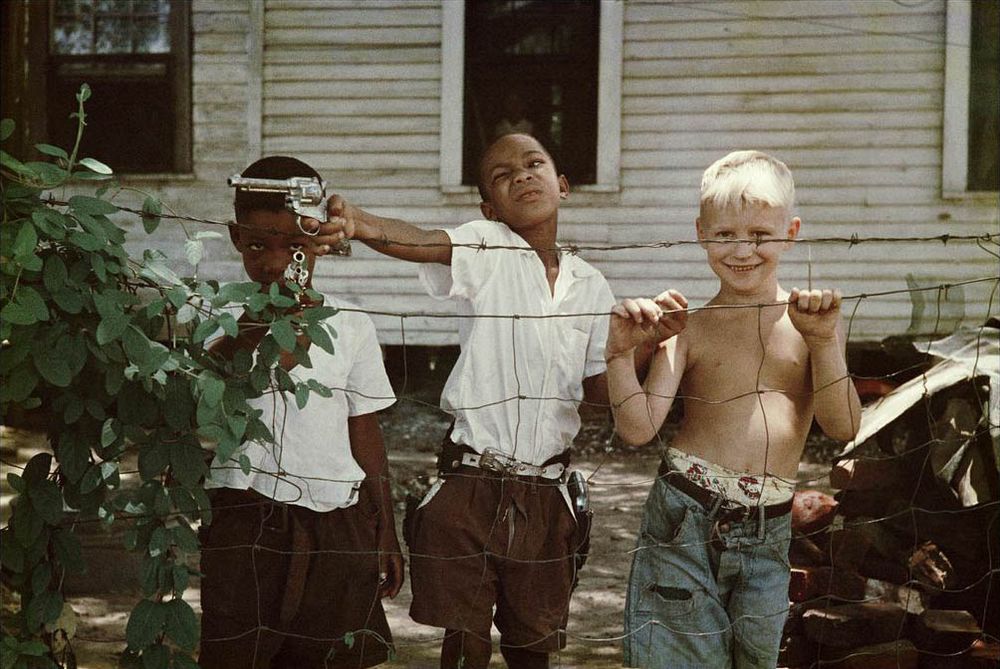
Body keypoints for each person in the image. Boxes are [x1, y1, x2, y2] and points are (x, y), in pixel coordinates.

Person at [325, 133, 615, 669]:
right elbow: (420, 241)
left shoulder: (592, 287)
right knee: (465, 640)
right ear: (489, 207)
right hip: (472, 482)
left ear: (563, 185)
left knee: (534, 644)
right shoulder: (489, 247)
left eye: (534, 165)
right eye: (504, 176)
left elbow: (597, 390)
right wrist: (363, 224)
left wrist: (642, 346)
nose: (523, 176)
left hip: (548, 490)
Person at [606, 150, 861, 668]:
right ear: (701, 233)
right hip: (685, 518)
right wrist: (617, 354)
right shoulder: (689, 327)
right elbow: (638, 428)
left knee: (756, 659)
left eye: (759, 234)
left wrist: (826, 342)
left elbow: (844, 425)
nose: (742, 249)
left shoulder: (812, 325)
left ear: (791, 231)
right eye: (724, 235)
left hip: (768, 528)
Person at [199, 156, 403, 669]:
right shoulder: (214, 314)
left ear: (322, 240)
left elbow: (365, 430)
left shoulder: (351, 323)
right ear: (233, 236)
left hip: (338, 519)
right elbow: (208, 398)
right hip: (247, 514)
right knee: (239, 653)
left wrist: (385, 527)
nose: (274, 262)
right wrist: (256, 323)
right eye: (256, 245)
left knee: (329, 657)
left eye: (295, 246)